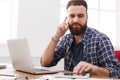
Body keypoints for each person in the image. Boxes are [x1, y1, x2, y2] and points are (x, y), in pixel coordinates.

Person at [41, 0, 120, 78]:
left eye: (80, 16)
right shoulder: (66, 39)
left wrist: (93, 68)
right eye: (72, 16)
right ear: (67, 18)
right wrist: (57, 36)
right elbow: (45, 63)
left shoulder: (100, 39)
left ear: (87, 17)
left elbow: (116, 72)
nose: (76, 20)